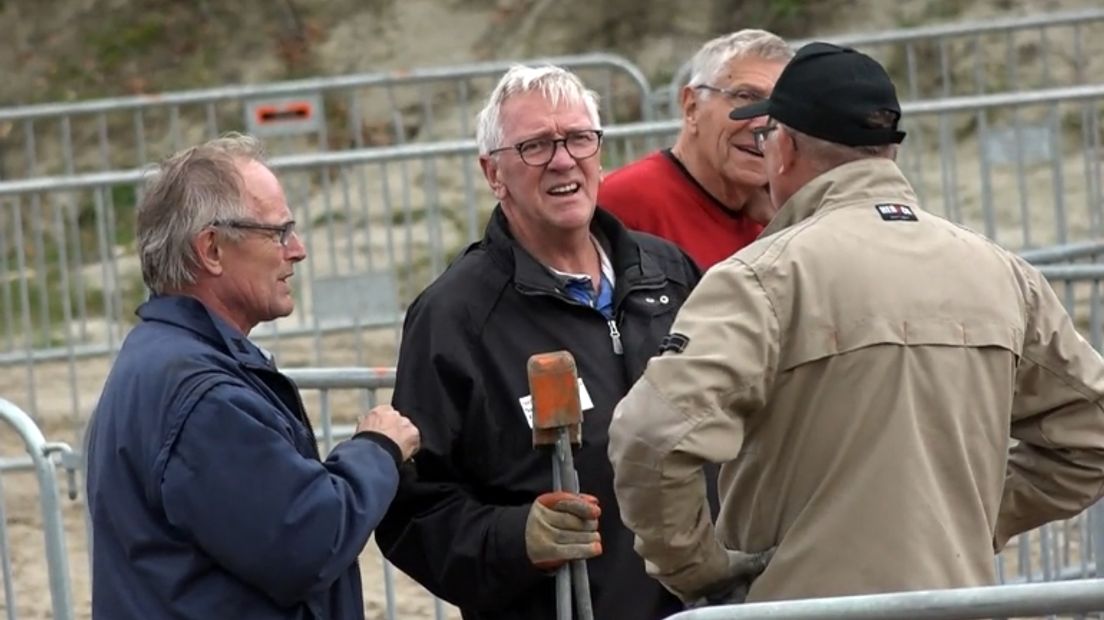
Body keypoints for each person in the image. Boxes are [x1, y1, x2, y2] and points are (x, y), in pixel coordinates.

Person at [608, 42, 1104, 605]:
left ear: (785, 148)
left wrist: (698, 568)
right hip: (959, 603)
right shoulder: (1001, 273)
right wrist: (964, 517)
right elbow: (1092, 434)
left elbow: (651, 435)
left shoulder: (760, 278)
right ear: (887, 149)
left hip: (799, 607)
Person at [373, 65, 702, 620]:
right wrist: (512, 537)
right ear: (493, 173)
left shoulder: (667, 273)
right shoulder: (455, 317)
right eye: (535, 146)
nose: (562, 159)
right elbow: (411, 511)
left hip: (700, 608)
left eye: (578, 138)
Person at [84, 133, 421, 620]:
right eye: (279, 232)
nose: (298, 250)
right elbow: (307, 540)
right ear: (212, 250)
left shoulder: (161, 358)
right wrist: (377, 449)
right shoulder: (202, 396)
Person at [598, 29, 793, 269]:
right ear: (692, 107)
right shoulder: (625, 204)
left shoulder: (781, 211)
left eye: (780, 107)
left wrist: (788, 224)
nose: (763, 122)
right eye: (745, 97)